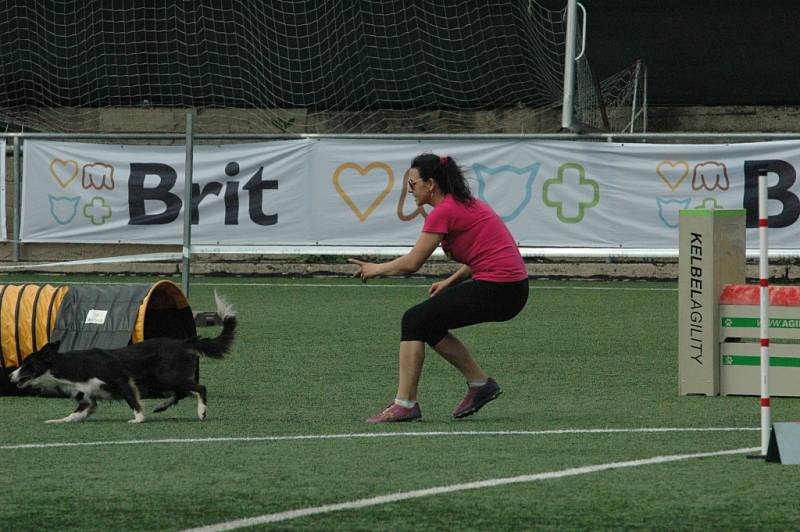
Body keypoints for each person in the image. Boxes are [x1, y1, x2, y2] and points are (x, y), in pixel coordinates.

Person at [349, 153, 529, 423]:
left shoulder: (444, 211)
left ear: (430, 184)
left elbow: (412, 263)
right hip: (510, 287)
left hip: (502, 288)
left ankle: (405, 404)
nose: (409, 190)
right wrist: (450, 282)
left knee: (414, 319)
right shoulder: (463, 205)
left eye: (412, 184)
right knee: (427, 323)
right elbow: (490, 252)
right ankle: (479, 384)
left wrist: (375, 269)